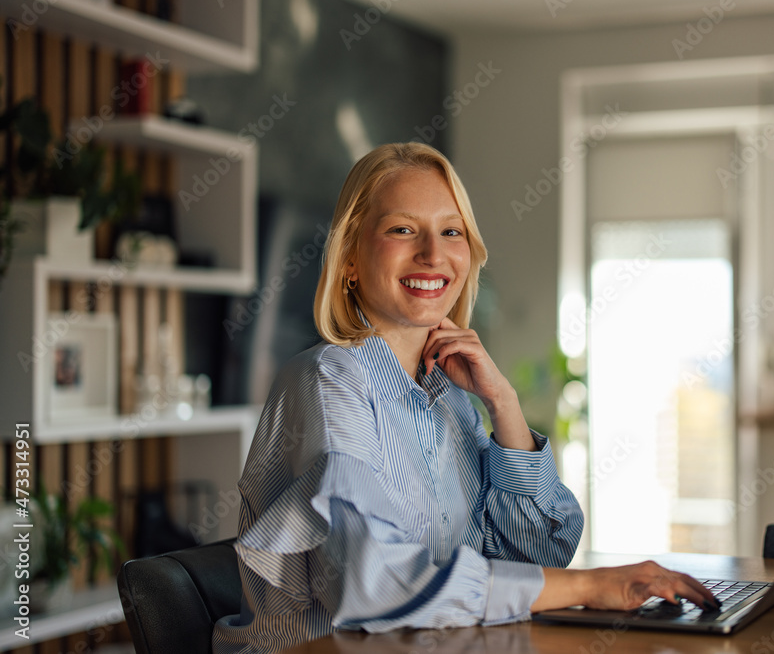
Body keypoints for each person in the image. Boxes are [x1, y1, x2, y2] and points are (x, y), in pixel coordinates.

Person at [213, 143, 718, 653]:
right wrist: (590, 588)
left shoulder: (450, 398)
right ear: (349, 258)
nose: (434, 253)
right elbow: (373, 583)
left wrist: (504, 404)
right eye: (402, 229)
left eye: (450, 231)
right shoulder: (328, 382)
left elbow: (537, 551)